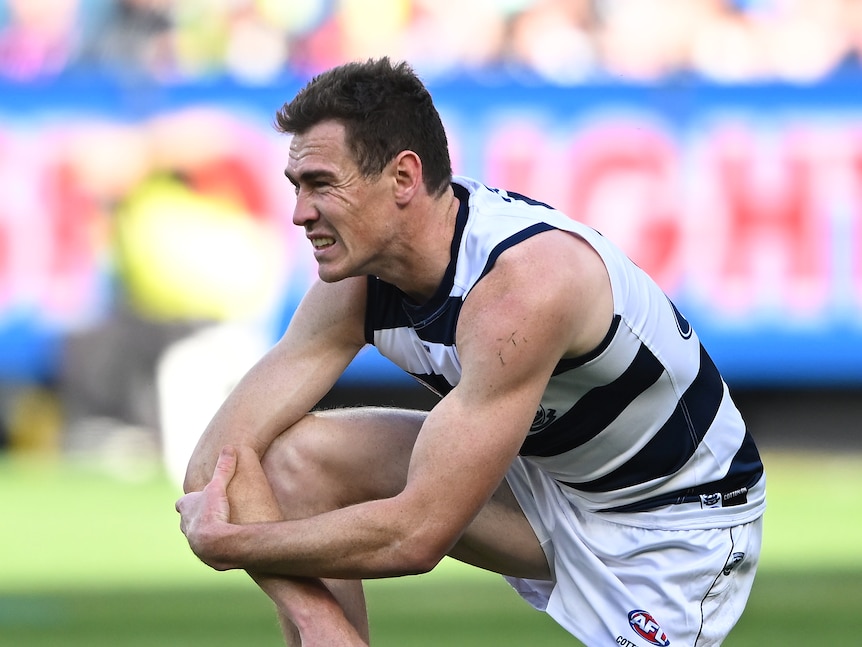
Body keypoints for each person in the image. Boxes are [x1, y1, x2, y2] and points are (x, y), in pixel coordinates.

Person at [176, 57, 765, 647]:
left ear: (404, 178)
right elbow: (214, 466)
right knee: (293, 460)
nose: (300, 213)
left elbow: (418, 536)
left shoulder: (523, 285)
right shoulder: (356, 282)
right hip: (542, 487)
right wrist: (315, 616)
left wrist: (232, 545)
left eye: (322, 184)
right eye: (296, 187)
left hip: (676, 520)